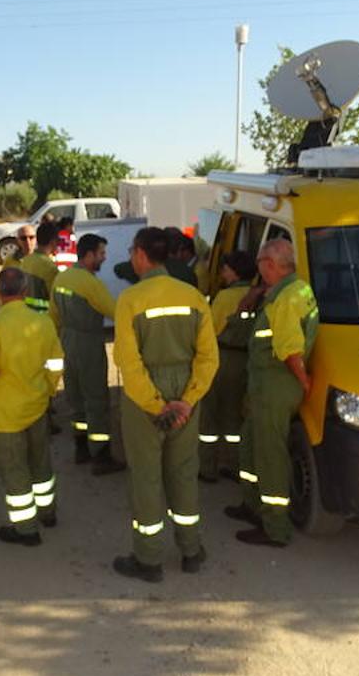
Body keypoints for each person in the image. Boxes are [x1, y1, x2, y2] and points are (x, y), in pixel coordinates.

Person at [110, 227, 219, 582]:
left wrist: (157, 404)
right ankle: (191, 550)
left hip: (147, 396)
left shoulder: (130, 300)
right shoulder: (193, 296)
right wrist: (186, 401)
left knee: (146, 476)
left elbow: (128, 361)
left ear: (142, 254)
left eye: (131, 251)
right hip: (186, 389)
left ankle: (149, 559)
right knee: (184, 472)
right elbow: (208, 358)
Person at [228, 239, 319, 548]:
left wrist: (303, 382)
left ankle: (274, 528)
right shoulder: (296, 290)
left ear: (269, 264)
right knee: (250, 445)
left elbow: (291, 350)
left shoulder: (284, 300)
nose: (259, 270)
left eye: (260, 264)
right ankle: (252, 506)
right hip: (266, 384)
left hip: (275, 384)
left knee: (270, 456)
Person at [0, 267, 65, 546]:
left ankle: (26, 529)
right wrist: (47, 390)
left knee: (15, 471)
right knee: (40, 463)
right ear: (25, 292)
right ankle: (48, 513)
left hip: (5, 413)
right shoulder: (44, 323)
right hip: (36, 405)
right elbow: (56, 363)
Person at [50, 233, 123, 474]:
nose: (104, 258)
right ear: (89, 254)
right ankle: (101, 456)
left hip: (67, 341)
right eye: (101, 253)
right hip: (89, 342)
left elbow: (54, 315)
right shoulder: (90, 283)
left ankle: (81, 448)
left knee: (77, 398)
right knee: (96, 400)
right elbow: (114, 312)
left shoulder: (61, 278)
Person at [198, 250, 257, 483]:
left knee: (210, 416)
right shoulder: (259, 294)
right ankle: (235, 465)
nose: (222, 272)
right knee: (235, 416)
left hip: (222, 359)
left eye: (225, 268)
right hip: (246, 360)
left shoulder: (224, 298)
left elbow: (209, 332)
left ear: (235, 271)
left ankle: (208, 468)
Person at [20, 220, 60, 312]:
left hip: (26, 313)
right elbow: (56, 299)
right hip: (42, 318)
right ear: (53, 242)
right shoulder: (50, 268)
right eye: (58, 240)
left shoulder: (26, 260)